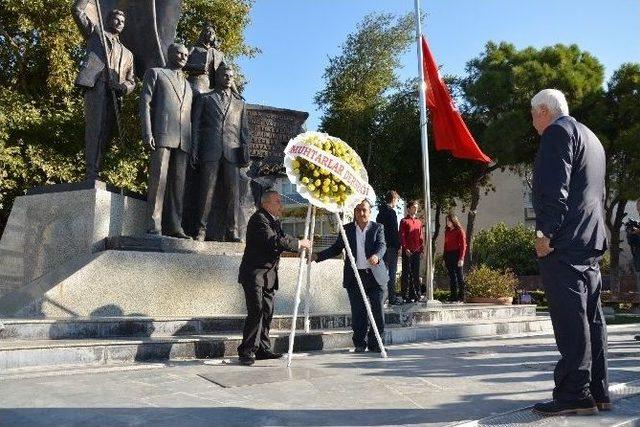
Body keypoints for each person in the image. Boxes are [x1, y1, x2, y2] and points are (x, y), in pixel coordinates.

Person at [530, 89, 609, 416]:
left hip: (565, 240)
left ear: (545, 111)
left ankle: (574, 393)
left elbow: (554, 188)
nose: (533, 123)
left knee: (571, 317)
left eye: (533, 115)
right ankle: (597, 391)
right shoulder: (592, 139)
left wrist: (545, 231)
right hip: (591, 237)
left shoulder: (556, 133)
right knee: (591, 317)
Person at [236, 190, 311, 365]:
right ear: (266, 203)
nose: (281, 205)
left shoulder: (273, 221)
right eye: (277, 201)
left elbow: (284, 237)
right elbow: (274, 241)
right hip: (255, 275)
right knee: (256, 311)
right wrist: (299, 244)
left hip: (268, 276)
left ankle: (263, 349)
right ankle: (246, 351)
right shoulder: (259, 219)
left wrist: (301, 243)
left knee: (267, 312)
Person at [312, 200, 388, 352]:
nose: (361, 213)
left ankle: (376, 343)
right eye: (358, 210)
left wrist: (376, 256)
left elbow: (382, 245)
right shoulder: (346, 229)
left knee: (377, 311)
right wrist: (317, 256)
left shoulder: (378, 227)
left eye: (364, 210)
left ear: (369, 211)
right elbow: (336, 248)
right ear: (354, 212)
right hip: (354, 277)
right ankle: (359, 343)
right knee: (358, 312)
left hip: (374, 276)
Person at [72, 0, 135, 181]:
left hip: (114, 95)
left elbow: (132, 81)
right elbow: (77, 11)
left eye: (122, 21)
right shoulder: (95, 33)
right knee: (95, 130)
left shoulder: (128, 54)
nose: (120, 23)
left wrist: (123, 87)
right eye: (116, 19)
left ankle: (97, 169)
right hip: (97, 86)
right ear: (108, 21)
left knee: (107, 134)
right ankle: (91, 171)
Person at [191, 63, 250, 242]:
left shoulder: (240, 104)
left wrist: (245, 154)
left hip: (232, 153)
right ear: (217, 77)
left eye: (231, 76)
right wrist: (194, 149)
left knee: (233, 194)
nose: (228, 78)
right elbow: (196, 127)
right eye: (225, 75)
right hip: (210, 150)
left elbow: (244, 132)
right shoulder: (205, 98)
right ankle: (201, 230)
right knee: (206, 191)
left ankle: (232, 231)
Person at [139, 43, 193, 238]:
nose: (183, 57)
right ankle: (154, 225)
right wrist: (147, 132)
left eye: (186, 55)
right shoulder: (156, 73)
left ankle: (176, 226)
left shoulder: (188, 84)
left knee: (178, 186)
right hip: (161, 134)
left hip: (183, 141)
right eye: (179, 53)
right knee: (159, 182)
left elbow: (189, 116)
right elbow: (145, 103)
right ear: (170, 54)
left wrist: (191, 143)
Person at [184, 23, 225, 94]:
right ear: (203, 34)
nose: (211, 34)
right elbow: (181, 64)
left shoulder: (218, 54)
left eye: (213, 33)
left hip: (210, 86)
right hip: (194, 81)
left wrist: (236, 92)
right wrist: (196, 67)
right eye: (208, 32)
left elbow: (227, 71)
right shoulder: (193, 48)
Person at [376, 191, 401, 305]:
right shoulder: (392, 212)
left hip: (381, 247)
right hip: (391, 247)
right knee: (392, 273)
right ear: (393, 199)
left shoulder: (379, 213)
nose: (397, 202)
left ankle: (381, 297)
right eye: (397, 199)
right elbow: (394, 231)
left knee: (382, 273)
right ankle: (392, 297)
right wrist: (398, 246)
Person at [400, 201, 424, 303]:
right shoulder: (404, 221)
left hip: (417, 251)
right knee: (406, 273)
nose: (416, 209)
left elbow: (421, 236)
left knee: (416, 273)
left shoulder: (419, 222)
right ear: (409, 208)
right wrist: (405, 248)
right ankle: (405, 296)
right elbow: (402, 236)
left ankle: (416, 295)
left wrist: (422, 250)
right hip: (408, 252)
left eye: (417, 207)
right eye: (414, 207)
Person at [444, 214, 467, 303]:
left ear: (453, 221)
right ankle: (453, 297)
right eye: (447, 221)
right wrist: (444, 257)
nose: (448, 222)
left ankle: (462, 297)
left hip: (457, 254)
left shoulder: (460, 230)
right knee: (452, 277)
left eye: (449, 220)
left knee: (459, 276)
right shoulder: (447, 231)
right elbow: (445, 245)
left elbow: (463, 246)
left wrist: (461, 258)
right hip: (448, 255)